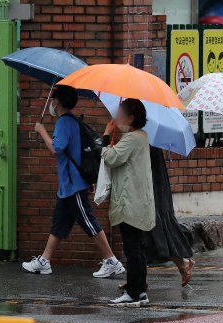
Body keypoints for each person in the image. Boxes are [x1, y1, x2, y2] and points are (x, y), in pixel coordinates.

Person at [26, 85, 124, 278]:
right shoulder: (70, 121)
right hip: (68, 186)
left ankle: (112, 260)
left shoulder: (64, 122)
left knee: (89, 221)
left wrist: (42, 131)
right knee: (59, 224)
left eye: (54, 99)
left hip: (74, 185)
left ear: (58, 102)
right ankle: (44, 261)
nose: (52, 103)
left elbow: (56, 148)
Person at [103, 99, 155, 307]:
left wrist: (107, 135)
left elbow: (110, 158)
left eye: (121, 114)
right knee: (138, 248)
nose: (118, 118)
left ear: (131, 117)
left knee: (132, 248)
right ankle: (139, 291)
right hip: (138, 201)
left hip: (129, 202)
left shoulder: (132, 138)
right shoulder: (141, 137)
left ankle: (133, 293)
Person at [146, 146, 194, 286]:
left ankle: (136, 281)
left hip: (151, 189)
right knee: (147, 234)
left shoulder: (145, 140)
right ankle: (135, 280)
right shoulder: (146, 139)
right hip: (150, 189)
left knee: (151, 231)